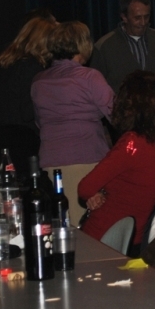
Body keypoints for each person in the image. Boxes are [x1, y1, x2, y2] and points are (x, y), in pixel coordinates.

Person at [78, 71, 155, 252]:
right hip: (137, 240)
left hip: (105, 238)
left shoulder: (133, 144)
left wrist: (96, 193)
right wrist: (97, 193)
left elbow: (85, 187)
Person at [32, 21, 115, 222]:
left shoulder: (38, 81)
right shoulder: (90, 77)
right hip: (87, 161)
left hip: (50, 164)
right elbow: (117, 115)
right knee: (88, 229)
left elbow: (39, 123)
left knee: (62, 227)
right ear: (83, 44)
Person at [0, 17, 58, 174]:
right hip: (25, 141)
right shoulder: (35, 68)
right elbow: (28, 112)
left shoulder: (0, 66)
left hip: (0, 139)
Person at [90, 0, 155, 93]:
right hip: (121, 103)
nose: (143, 22)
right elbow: (93, 85)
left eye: (146, 17)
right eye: (137, 18)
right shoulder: (104, 46)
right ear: (124, 17)